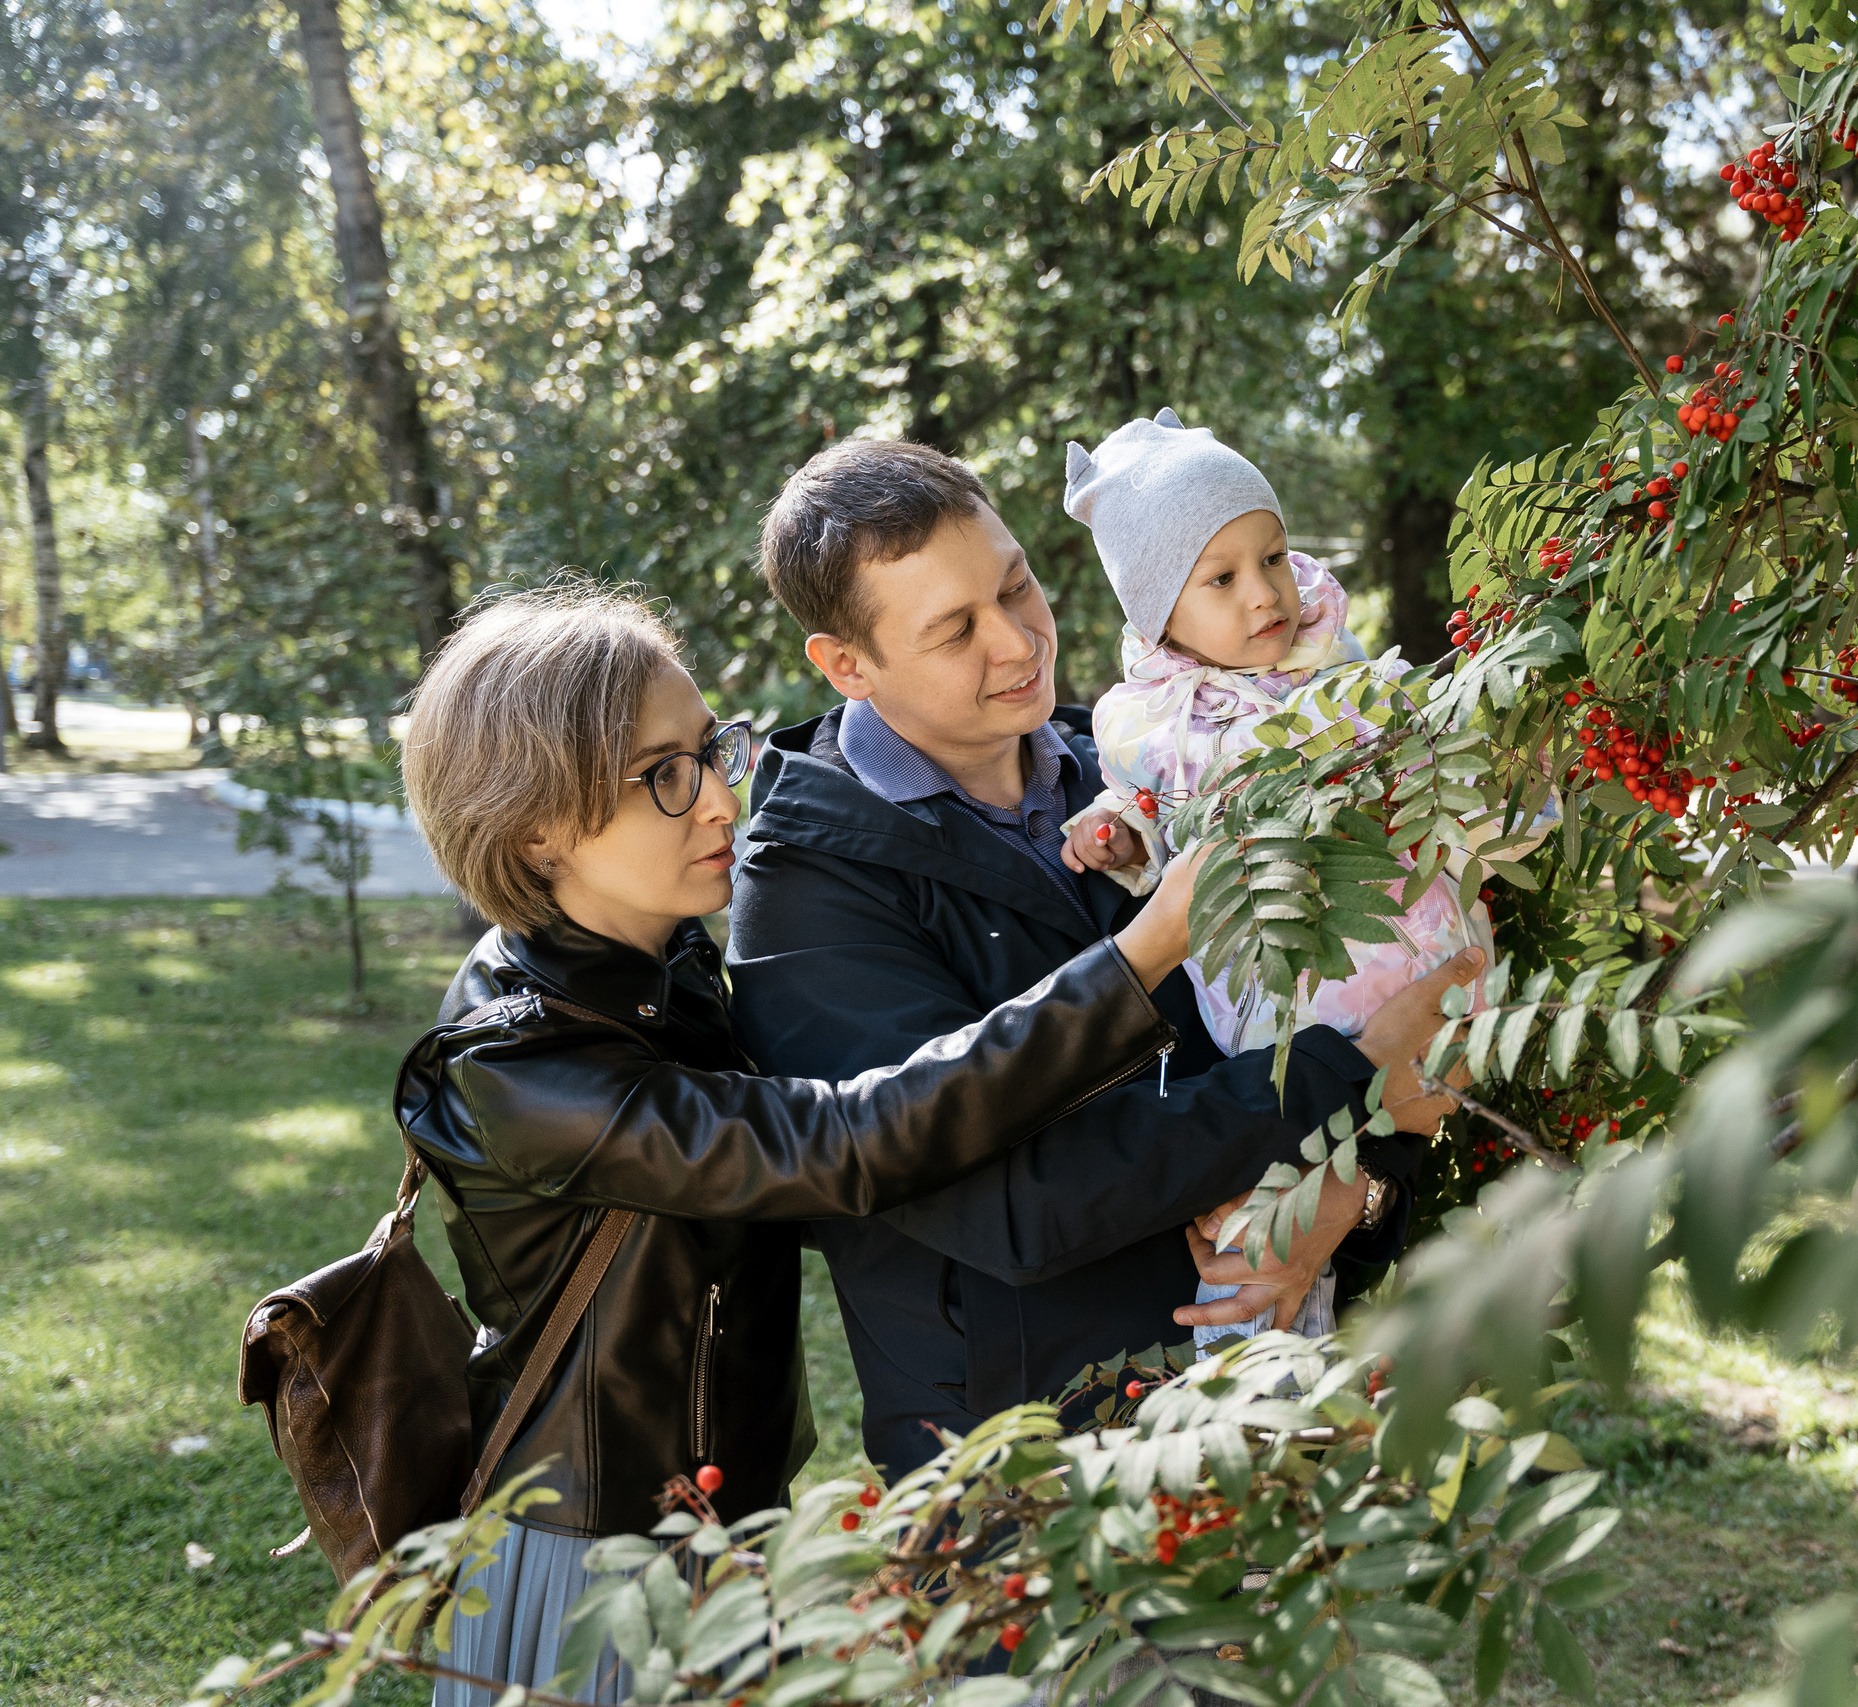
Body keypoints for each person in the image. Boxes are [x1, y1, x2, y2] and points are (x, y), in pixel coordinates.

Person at [397, 583, 1209, 1707]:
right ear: (537, 827)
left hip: (733, 1526)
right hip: (592, 1565)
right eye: (661, 778)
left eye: (709, 752)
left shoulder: (664, 974)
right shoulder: (520, 1068)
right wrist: (1142, 956)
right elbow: (849, 1143)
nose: (721, 801)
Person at [725, 438, 1476, 1483]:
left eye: (1015, 583)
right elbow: (1013, 1203)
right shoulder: (804, 892)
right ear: (846, 665)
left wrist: (1349, 1194)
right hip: (1031, 1485)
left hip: (1262, 1425)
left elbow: (1335, 992)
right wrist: (1347, 1085)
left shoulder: (1147, 766)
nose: (1017, 642)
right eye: (954, 630)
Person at [1056, 409, 1491, 1344]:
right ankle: (1257, 1390)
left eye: (1274, 556)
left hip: (1414, 960)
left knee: (1396, 1127)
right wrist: (1120, 840)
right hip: (1283, 992)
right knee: (1276, 1198)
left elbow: (1417, 759)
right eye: (1220, 578)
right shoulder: (1148, 723)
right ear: (1158, 613)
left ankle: (1317, 1384)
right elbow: (1146, 818)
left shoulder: (1333, 668)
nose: (1264, 594)